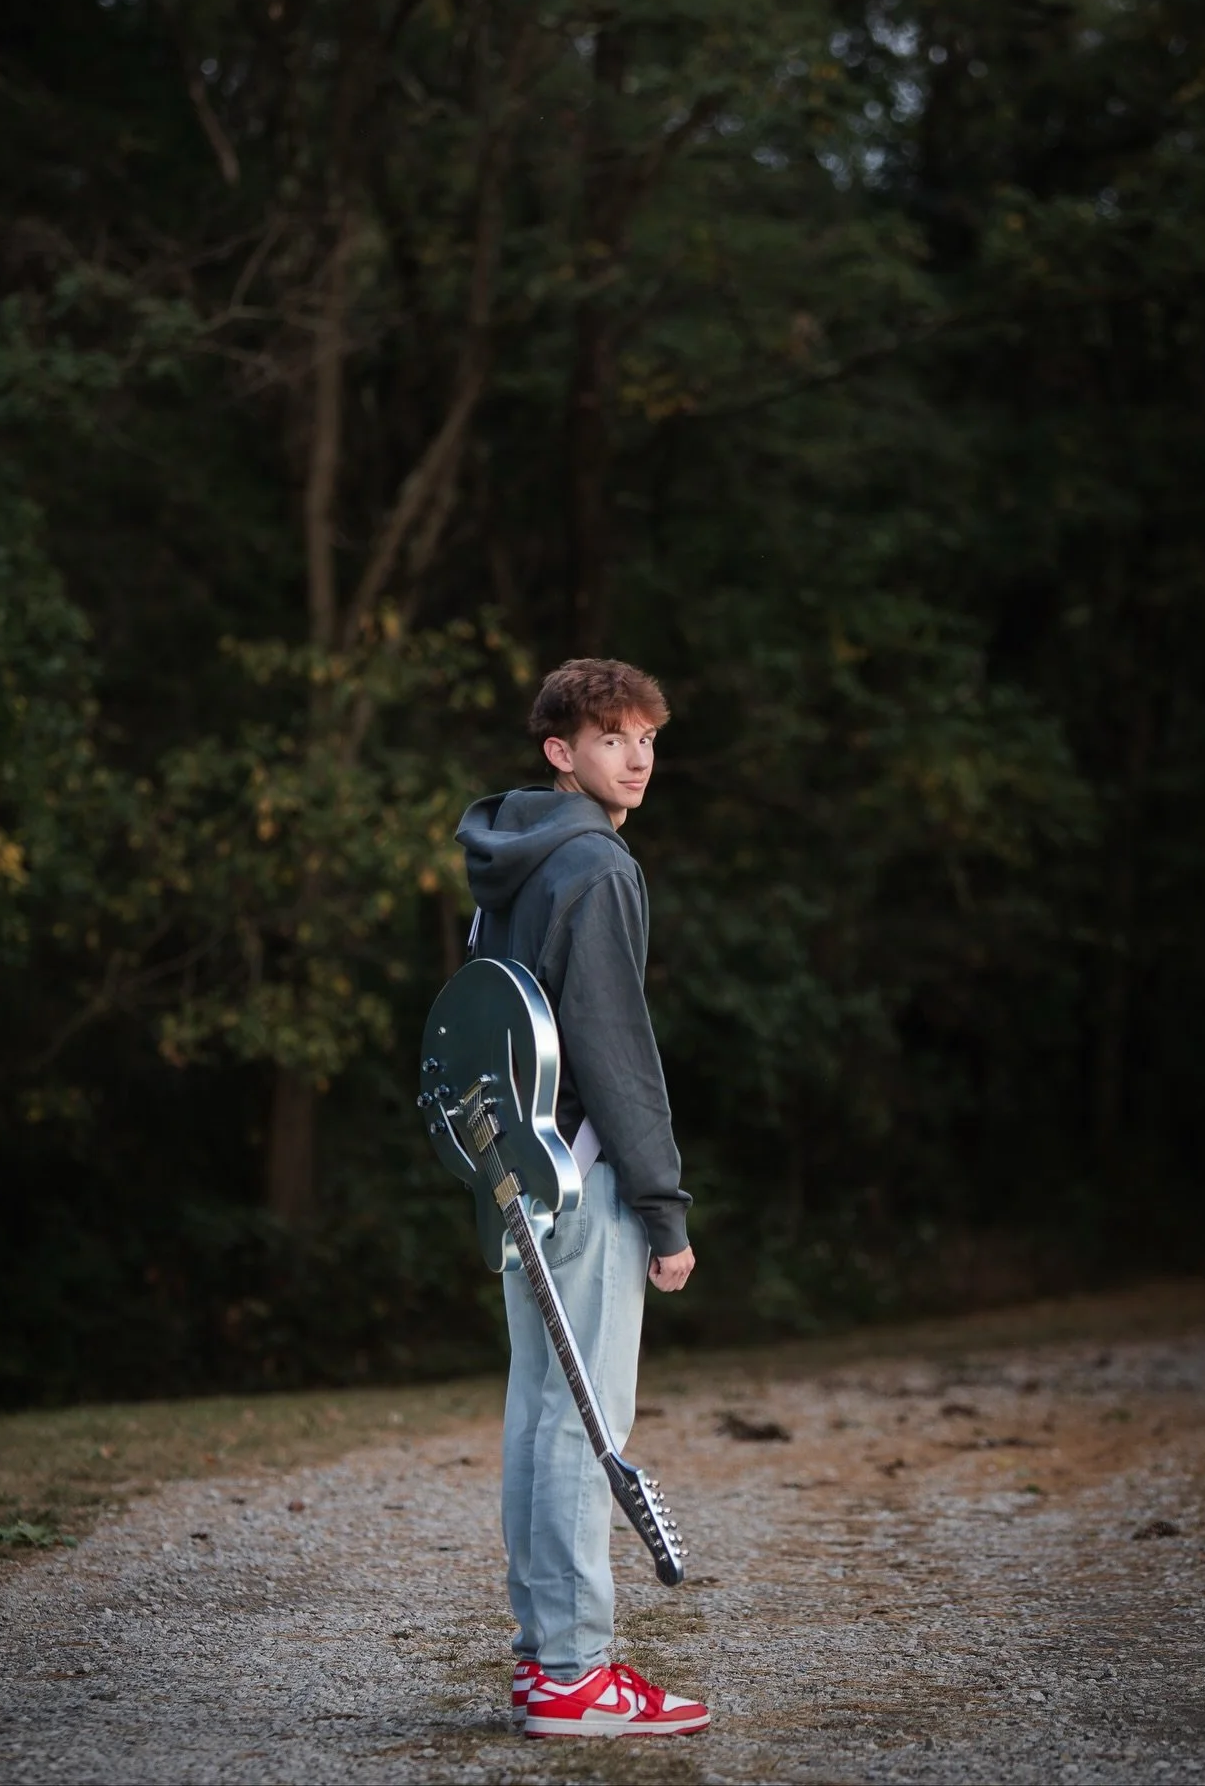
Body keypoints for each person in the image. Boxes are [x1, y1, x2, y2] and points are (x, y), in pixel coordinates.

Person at [455, 657, 710, 1739]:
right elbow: (615, 1049)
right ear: (561, 753)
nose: (638, 757)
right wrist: (664, 1203)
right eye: (613, 739)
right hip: (589, 1173)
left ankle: (542, 1660)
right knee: (584, 1422)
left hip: (520, 1175)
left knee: (541, 1416)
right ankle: (572, 1673)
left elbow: (477, 1022)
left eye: (647, 737)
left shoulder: (511, 863)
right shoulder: (595, 867)